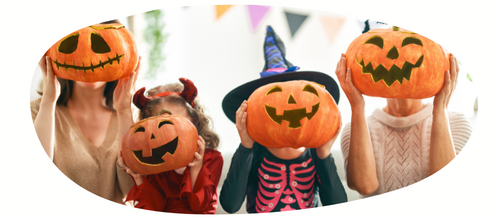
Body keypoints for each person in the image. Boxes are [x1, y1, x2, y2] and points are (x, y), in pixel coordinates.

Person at [219, 26, 347, 214]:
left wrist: (324, 154)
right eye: (274, 95)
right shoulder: (254, 151)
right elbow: (230, 205)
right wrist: (246, 146)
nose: (289, 103)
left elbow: (337, 206)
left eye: (300, 93)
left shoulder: (315, 151)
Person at [336, 53, 472, 197]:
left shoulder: (457, 124)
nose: (396, 59)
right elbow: (364, 186)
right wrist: (356, 107)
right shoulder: (354, 129)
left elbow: (445, 187)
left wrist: (440, 108)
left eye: (408, 52)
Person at [31, 44, 139, 204]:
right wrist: (48, 102)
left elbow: (132, 192)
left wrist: (124, 112)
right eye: (80, 48)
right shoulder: (37, 111)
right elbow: (35, 178)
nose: (90, 59)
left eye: (100, 48)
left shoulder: (132, 118)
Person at [117, 78, 224, 214]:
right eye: (160, 125)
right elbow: (153, 209)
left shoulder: (212, 158)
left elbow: (200, 206)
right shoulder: (156, 164)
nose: (170, 133)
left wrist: (196, 169)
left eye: (176, 121)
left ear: (194, 121)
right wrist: (138, 176)